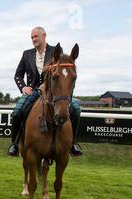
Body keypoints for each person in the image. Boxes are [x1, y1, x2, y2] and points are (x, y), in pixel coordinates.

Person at [7, 26, 83, 157]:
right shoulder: (27, 54)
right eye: (32, 37)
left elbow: (62, 72)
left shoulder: (56, 51)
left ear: (44, 36)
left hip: (53, 92)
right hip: (33, 91)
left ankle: (73, 144)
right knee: (17, 112)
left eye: (36, 36)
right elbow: (18, 75)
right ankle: (14, 144)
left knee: (76, 109)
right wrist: (24, 87)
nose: (33, 39)